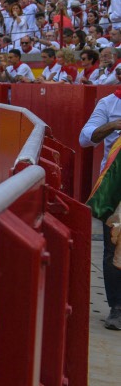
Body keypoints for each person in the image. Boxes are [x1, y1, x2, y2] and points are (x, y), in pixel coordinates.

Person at [79, 91, 121, 330]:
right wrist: (112, 126)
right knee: (113, 247)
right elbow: (85, 138)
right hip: (116, 188)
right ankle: (117, 307)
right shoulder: (109, 103)